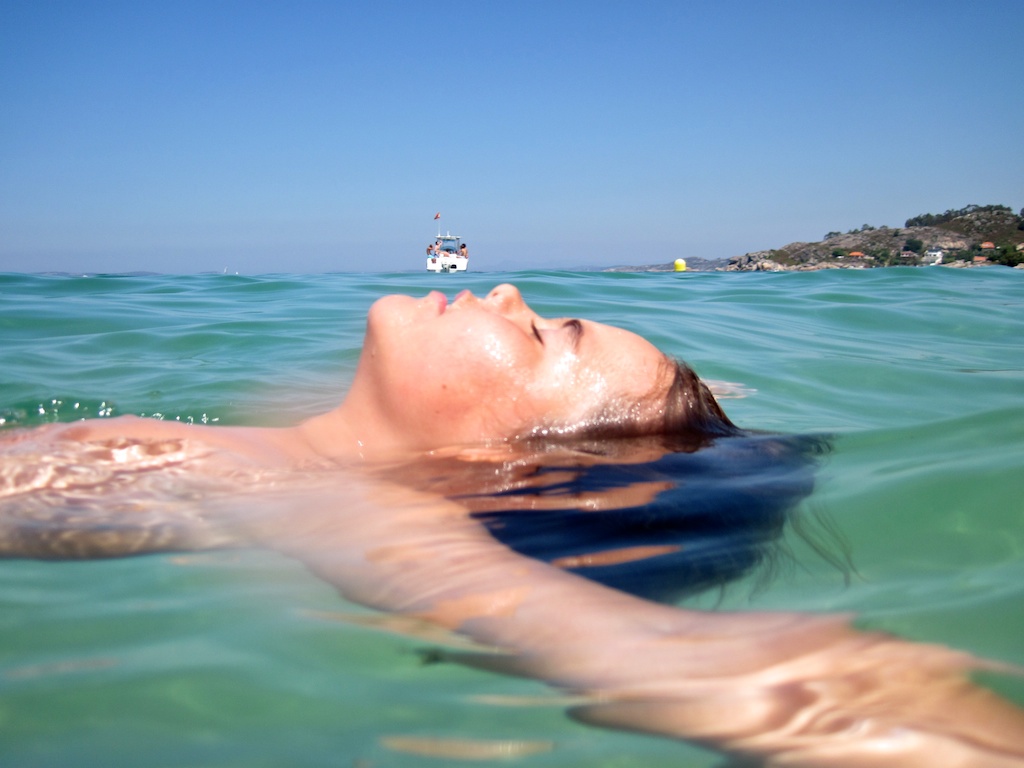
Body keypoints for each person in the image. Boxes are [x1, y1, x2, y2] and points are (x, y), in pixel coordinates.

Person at [2, 284, 1023, 766]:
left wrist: (853, 703)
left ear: (509, 456)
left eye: (542, 335)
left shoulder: (337, 501)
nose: (508, 293)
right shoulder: (291, 450)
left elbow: (590, 634)